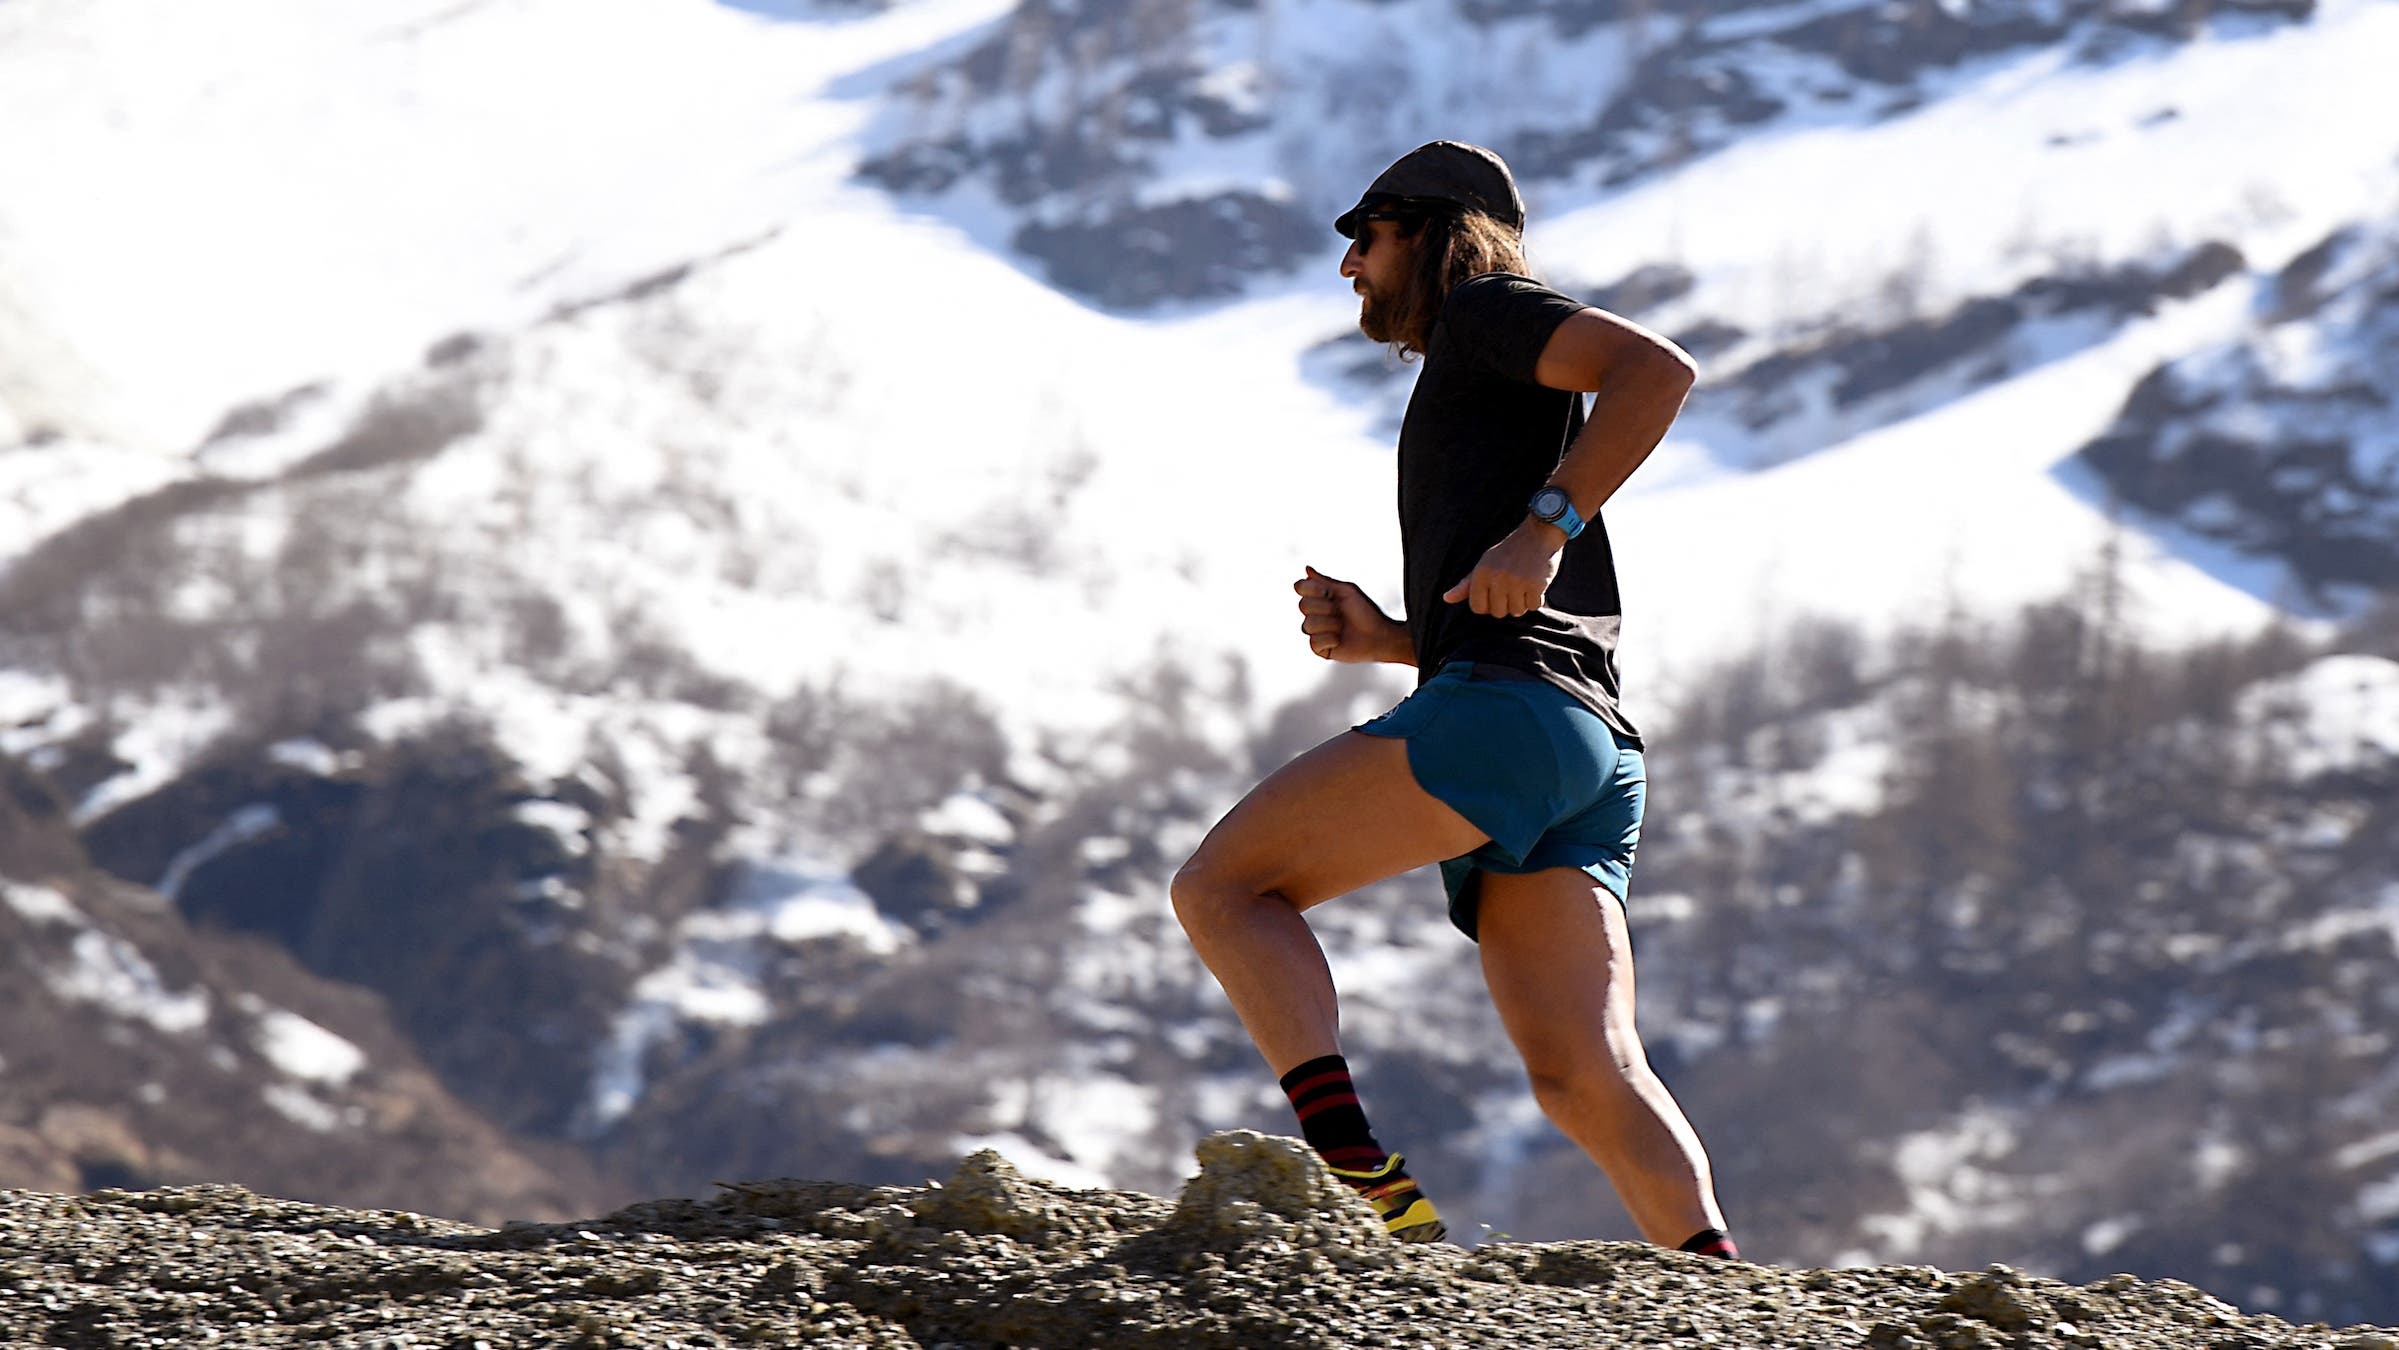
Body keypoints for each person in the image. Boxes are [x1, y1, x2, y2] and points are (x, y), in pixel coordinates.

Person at [1170, 141, 1737, 1258]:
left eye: (1362, 236)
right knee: (1585, 1075)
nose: (1347, 268)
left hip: (1508, 713)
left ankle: (1361, 1187)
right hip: (1582, 745)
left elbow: (1657, 371)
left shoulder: (1486, 309)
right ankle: (1724, 1296)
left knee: (1222, 889)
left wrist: (1542, 528)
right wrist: (1393, 636)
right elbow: (1519, 608)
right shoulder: (1479, 366)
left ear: (1429, 229)